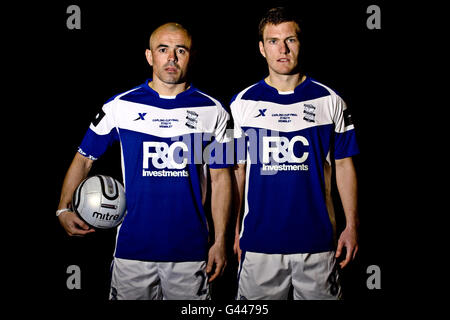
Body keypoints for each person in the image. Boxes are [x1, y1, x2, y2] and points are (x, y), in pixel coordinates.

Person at [56, 22, 232, 300]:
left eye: (180, 50)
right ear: (150, 56)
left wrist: (221, 241)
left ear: (191, 56)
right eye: (163, 50)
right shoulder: (119, 106)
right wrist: (63, 209)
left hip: (190, 252)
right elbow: (84, 158)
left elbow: (223, 178)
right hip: (132, 253)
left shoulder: (215, 111)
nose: (171, 58)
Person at [231, 7, 360, 300]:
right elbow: (236, 170)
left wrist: (352, 226)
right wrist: (231, 231)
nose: (283, 49)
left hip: (317, 244)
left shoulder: (330, 101)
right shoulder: (240, 105)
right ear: (261, 48)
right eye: (274, 41)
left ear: (301, 43)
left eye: (290, 39)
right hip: (259, 245)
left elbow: (344, 164)